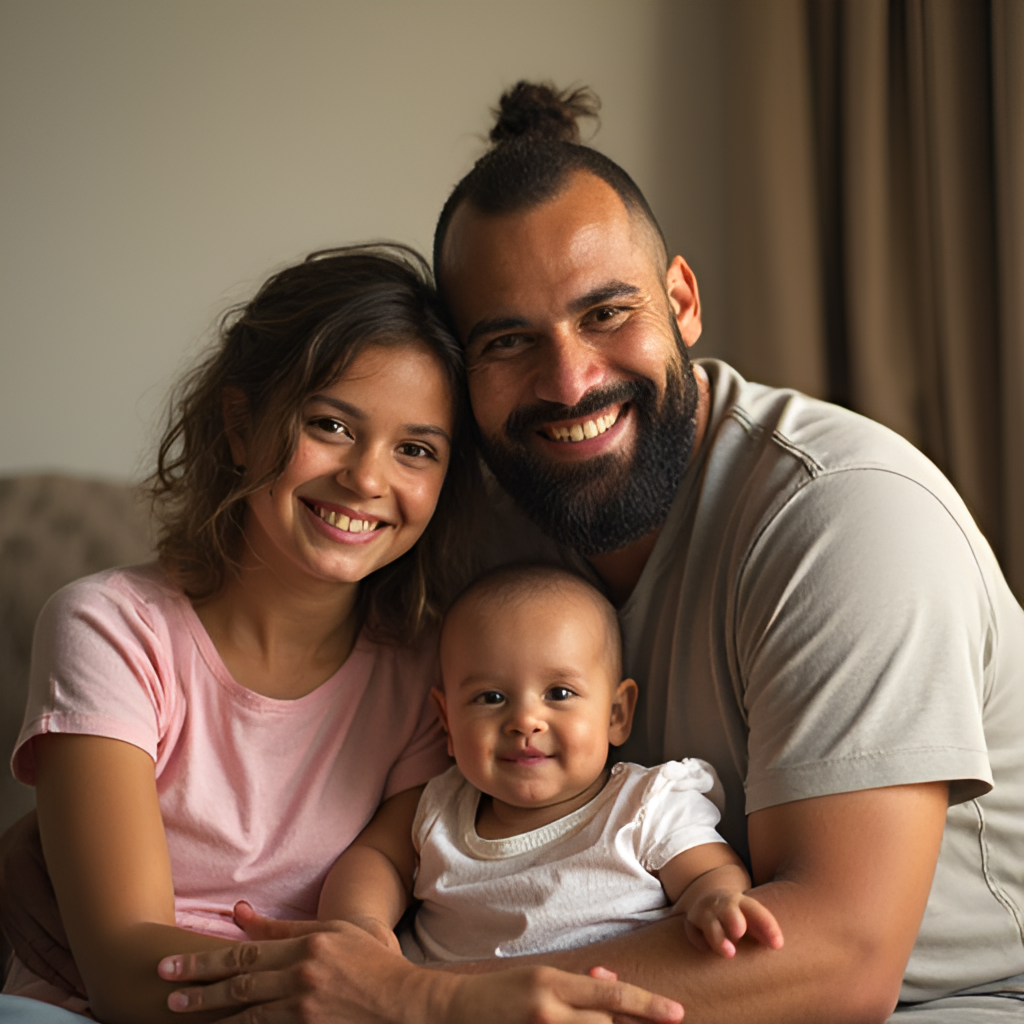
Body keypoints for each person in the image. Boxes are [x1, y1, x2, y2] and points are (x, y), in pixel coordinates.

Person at [159, 83, 1024, 1023]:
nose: (569, 383)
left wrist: (420, 999)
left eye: (606, 314)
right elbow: (268, 692)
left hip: (948, 999)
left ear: (682, 302)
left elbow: (840, 963)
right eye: (508, 340)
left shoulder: (843, 517)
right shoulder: (486, 516)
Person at [0, 243, 684, 1024]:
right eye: (330, 425)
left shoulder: (431, 671)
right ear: (240, 426)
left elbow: (446, 878)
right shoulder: (111, 628)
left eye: (415, 450)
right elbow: (124, 975)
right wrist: (416, 999)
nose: (365, 479)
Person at [319, 563, 784, 963]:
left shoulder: (644, 806)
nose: (525, 721)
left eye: (559, 693)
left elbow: (708, 872)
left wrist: (714, 901)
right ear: (448, 723)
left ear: (616, 715)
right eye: (490, 697)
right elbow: (376, 858)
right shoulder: (438, 808)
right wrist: (360, 923)